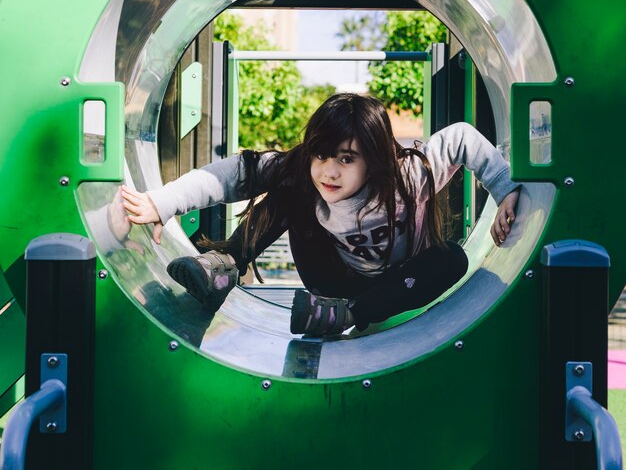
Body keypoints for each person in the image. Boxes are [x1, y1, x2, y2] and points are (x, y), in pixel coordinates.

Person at [121, 93, 520, 337]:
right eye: (322, 155)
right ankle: (226, 264)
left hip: (402, 281)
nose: (329, 171)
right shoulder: (306, 171)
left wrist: (504, 191)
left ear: (375, 159)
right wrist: (164, 201)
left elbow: (463, 138)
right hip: (334, 278)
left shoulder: (410, 175)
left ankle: (346, 316)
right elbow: (233, 174)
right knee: (290, 182)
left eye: (347, 159)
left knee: (453, 258)